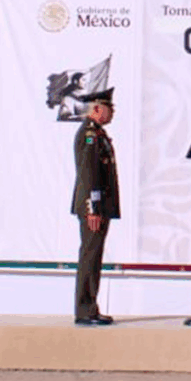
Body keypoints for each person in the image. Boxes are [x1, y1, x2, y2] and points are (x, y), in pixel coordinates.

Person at [71, 88, 119, 326]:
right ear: (97, 109)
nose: (113, 112)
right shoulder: (89, 135)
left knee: (95, 255)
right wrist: (93, 208)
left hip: (99, 206)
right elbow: (89, 175)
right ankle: (85, 310)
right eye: (110, 107)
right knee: (90, 255)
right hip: (93, 207)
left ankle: (90, 306)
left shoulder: (98, 133)